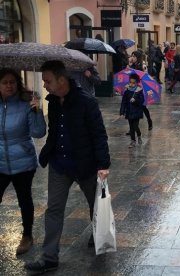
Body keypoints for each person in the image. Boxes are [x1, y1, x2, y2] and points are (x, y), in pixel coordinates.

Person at [24, 60, 110, 273]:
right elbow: (51, 131)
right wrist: (35, 112)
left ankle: (100, 238)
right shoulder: (52, 101)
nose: (44, 85)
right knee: (53, 209)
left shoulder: (86, 102)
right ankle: (49, 256)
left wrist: (103, 164)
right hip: (59, 164)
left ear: (61, 80)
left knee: (96, 205)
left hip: (85, 164)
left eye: (48, 81)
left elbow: (99, 134)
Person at [0, 69, 46, 255]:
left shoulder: (27, 103)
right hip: (0, 160)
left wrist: (36, 111)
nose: (9, 86)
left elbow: (38, 133)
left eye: (12, 82)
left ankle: (27, 235)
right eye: (5, 82)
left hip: (23, 161)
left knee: (24, 199)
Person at [127, 51, 153, 131]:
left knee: (142, 106)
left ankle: (149, 120)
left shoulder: (143, 65)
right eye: (132, 56)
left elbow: (144, 76)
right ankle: (132, 128)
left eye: (134, 56)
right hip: (132, 87)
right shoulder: (133, 65)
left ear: (138, 57)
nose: (132, 58)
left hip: (140, 88)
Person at [120, 74, 145, 147]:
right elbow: (123, 102)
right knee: (131, 127)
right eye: (130, 82)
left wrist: (135, 100)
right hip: (129, 112)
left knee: (135, 126)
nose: (132, 84)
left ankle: (139, 135)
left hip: (137, 112)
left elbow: (141, 101)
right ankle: (133, 140)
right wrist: (122, 112)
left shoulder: (139, 91)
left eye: (134, 83)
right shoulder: (127, 91)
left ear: (137, 83)